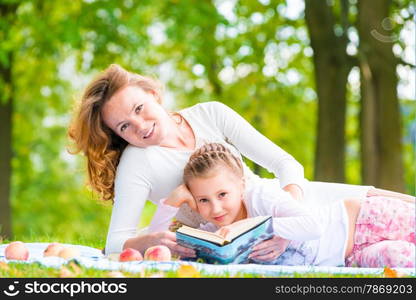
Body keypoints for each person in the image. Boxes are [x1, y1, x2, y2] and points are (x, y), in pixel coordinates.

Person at [68, 63, 414, 257]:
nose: (140, 126)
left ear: (154, 95)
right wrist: (155, 237)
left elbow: (286, 165)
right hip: (247, 243)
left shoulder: (210, 114)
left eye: (139, 109)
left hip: (284, 206)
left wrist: (282, 221)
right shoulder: (137, 163)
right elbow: (116, 243)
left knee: (380, 200)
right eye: (125, 126)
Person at [158, 143, 415, 267]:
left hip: (364, 220)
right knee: (402, 260)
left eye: (223, 194)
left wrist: (260, 225)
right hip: (351, 257)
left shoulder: (261, 196)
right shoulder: (218, 236)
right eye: (203, 200)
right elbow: (157, 249)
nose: (215, 209)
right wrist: (172, 202)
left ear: (241, 185)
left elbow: (312, 226)